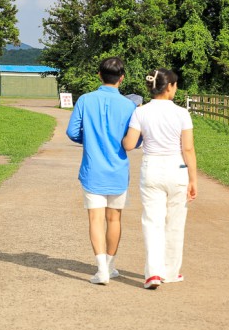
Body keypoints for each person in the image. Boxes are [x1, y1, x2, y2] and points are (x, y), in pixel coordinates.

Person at [122, 68, 198, 290]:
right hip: (177, 168)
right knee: (175, 222)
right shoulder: (182, 113)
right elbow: (188, 148)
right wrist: (193, 179)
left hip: (152, 167)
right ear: (169, 86)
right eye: (175, 85)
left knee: (152, 221)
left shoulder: (141, 112)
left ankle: (153, 273)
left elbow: (128, 144)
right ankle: (171, 271)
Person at [66, 57, 137, 285]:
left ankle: (101, 270)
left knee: (95, 219)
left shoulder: (85, 100)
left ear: (99, 75)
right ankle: (110, 265)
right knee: (114, 219)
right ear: (122, 78)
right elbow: (134, 140)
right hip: (118, 170)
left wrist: (87, 140)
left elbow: (72, 131)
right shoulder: (129, 106)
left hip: (92, 169)